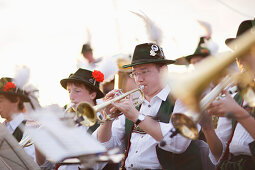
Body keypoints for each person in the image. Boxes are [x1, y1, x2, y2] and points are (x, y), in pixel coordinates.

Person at [94, 43, 203, 170]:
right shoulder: (134, 103)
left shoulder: (183, 99)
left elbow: (178, 143)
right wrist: (108, 118)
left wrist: (136, 116)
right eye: (135, 73)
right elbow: (106, 148)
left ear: (163, 71)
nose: (139, 79)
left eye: (144, 72)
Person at [201, 19, 255, 170]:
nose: (238, 58)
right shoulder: (239, 94)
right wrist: (207, 128)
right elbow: (220, 154)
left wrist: (238, 112)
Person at [37, 68, 105, 170]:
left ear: (92, 95)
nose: (71, 97)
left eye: (77, 91)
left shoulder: (101, 124)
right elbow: (46, 165)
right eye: (69, 91)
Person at [0, 76, 37, 161]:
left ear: (16, 100)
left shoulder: (32, 125)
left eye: (0, 100)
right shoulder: (2, 127)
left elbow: (33, 163)